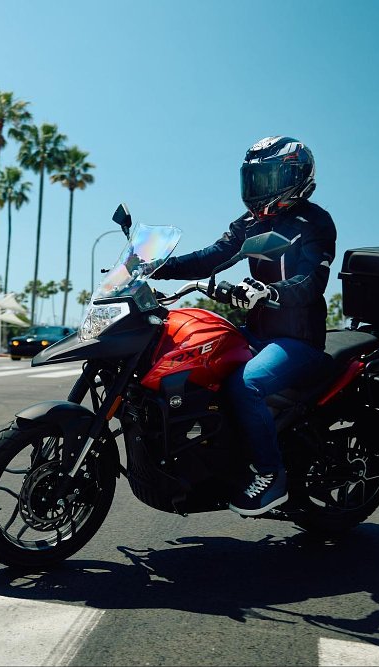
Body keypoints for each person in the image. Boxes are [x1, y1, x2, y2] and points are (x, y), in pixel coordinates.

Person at [151, 136, 336, 516]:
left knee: (245, 385)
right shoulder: (249, 223)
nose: (258, 188)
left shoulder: (314, 222)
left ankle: (271, 474)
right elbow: (211, 257)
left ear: (295, 178)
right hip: (256, 333)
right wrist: (155, 267)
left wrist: (269, 291)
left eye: (267, 178)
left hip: (298, 339)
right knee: (195, 366)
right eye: (253, 179)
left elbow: (310, 280)